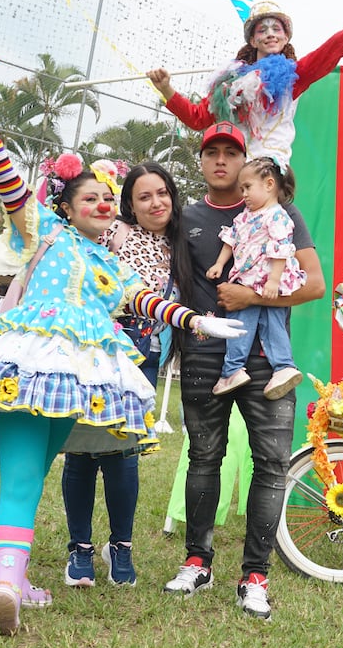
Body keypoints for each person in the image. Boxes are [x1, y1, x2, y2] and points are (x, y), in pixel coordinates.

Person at [0, 67, 245, 635]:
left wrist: (196, 320)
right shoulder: (43, 232)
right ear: (68, 207)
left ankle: (10, 576)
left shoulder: (109, 263)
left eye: (106, 199)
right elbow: (7, 178)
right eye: (90, 198)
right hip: (29, 363)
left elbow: (148, 302)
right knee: (22, 476)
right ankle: (5, 584)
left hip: (72, 380)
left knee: (31, 474)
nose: (101, 204)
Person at [163, 121, 325, 620]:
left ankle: (255, 576)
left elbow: (314, 284)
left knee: (271, 464)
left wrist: (251, 296)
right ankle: (197, 562)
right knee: (204, 458)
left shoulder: (282, 213)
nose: (220, 160)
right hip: (204, 357)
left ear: (245, 161)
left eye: (230, 153)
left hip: (266, 363)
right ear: (200, 161)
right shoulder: (186, 217)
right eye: (210, 152)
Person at [61, 160, 188, 589]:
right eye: (143, 196)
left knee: (123, 451)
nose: (156, 202)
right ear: (129, 205)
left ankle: (121, 546)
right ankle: (79, 548)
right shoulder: (114, 231)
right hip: (96, 350)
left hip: (144, 357)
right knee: (81, 449)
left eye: (162, 193)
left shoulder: (181, 244)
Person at [147, 0, 343, 164]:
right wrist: (166, 89)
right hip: (234, 169)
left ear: (285, 37)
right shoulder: (229, 85)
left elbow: (337, 46)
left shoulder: (295, 76)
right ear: (253, 40)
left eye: (276, 29)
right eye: (262, 30)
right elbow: (198, 119)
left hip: (269, 170)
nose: (270, 33)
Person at [205, 157, 305, 398]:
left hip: (269, 281)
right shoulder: (245, 216)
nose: (244, 194)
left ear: (269, 184)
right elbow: (231, 239)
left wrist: (274, 281)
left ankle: (282, 366)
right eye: (242, 189)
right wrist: (219, 263)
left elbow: (281, 249)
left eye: (248, 187)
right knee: (242, 323)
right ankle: (234, 369)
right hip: (248, 279)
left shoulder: (277, 215)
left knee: (273, 324)